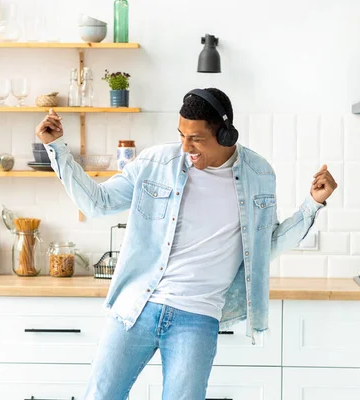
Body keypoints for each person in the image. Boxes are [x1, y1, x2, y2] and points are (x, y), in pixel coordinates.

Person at [36, 88, 337, 400]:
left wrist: (312, 204)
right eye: (181, 135)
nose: (185, 146)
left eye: (195, 138)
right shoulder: (156, 162)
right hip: (138, 305)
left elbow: (266, 246)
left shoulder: (258, 174)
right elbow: (97, 203)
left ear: (225, 134)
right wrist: (56, 147)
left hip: (197, 317)